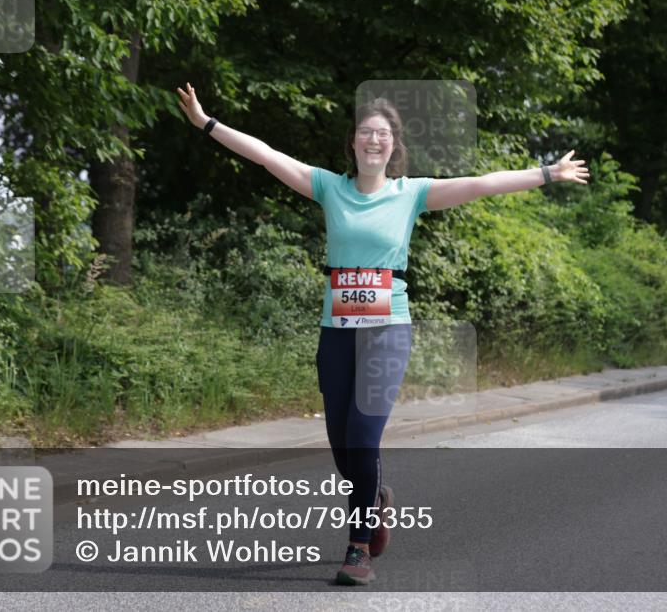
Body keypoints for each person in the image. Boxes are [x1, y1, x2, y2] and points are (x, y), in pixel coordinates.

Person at [176, 83, 589, 584]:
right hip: (337, 330)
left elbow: (481, 183)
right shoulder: (329, 187)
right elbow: (265, 155)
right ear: (352, 143)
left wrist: (548, 172)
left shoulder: (410, 193)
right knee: (340, 444)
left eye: (383, 134)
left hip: (388, 329)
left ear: (394, 146)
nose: (374, 140)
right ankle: (375, 498)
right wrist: (206, 124)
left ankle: (357, 548)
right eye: (366, 132)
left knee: (364, 438)